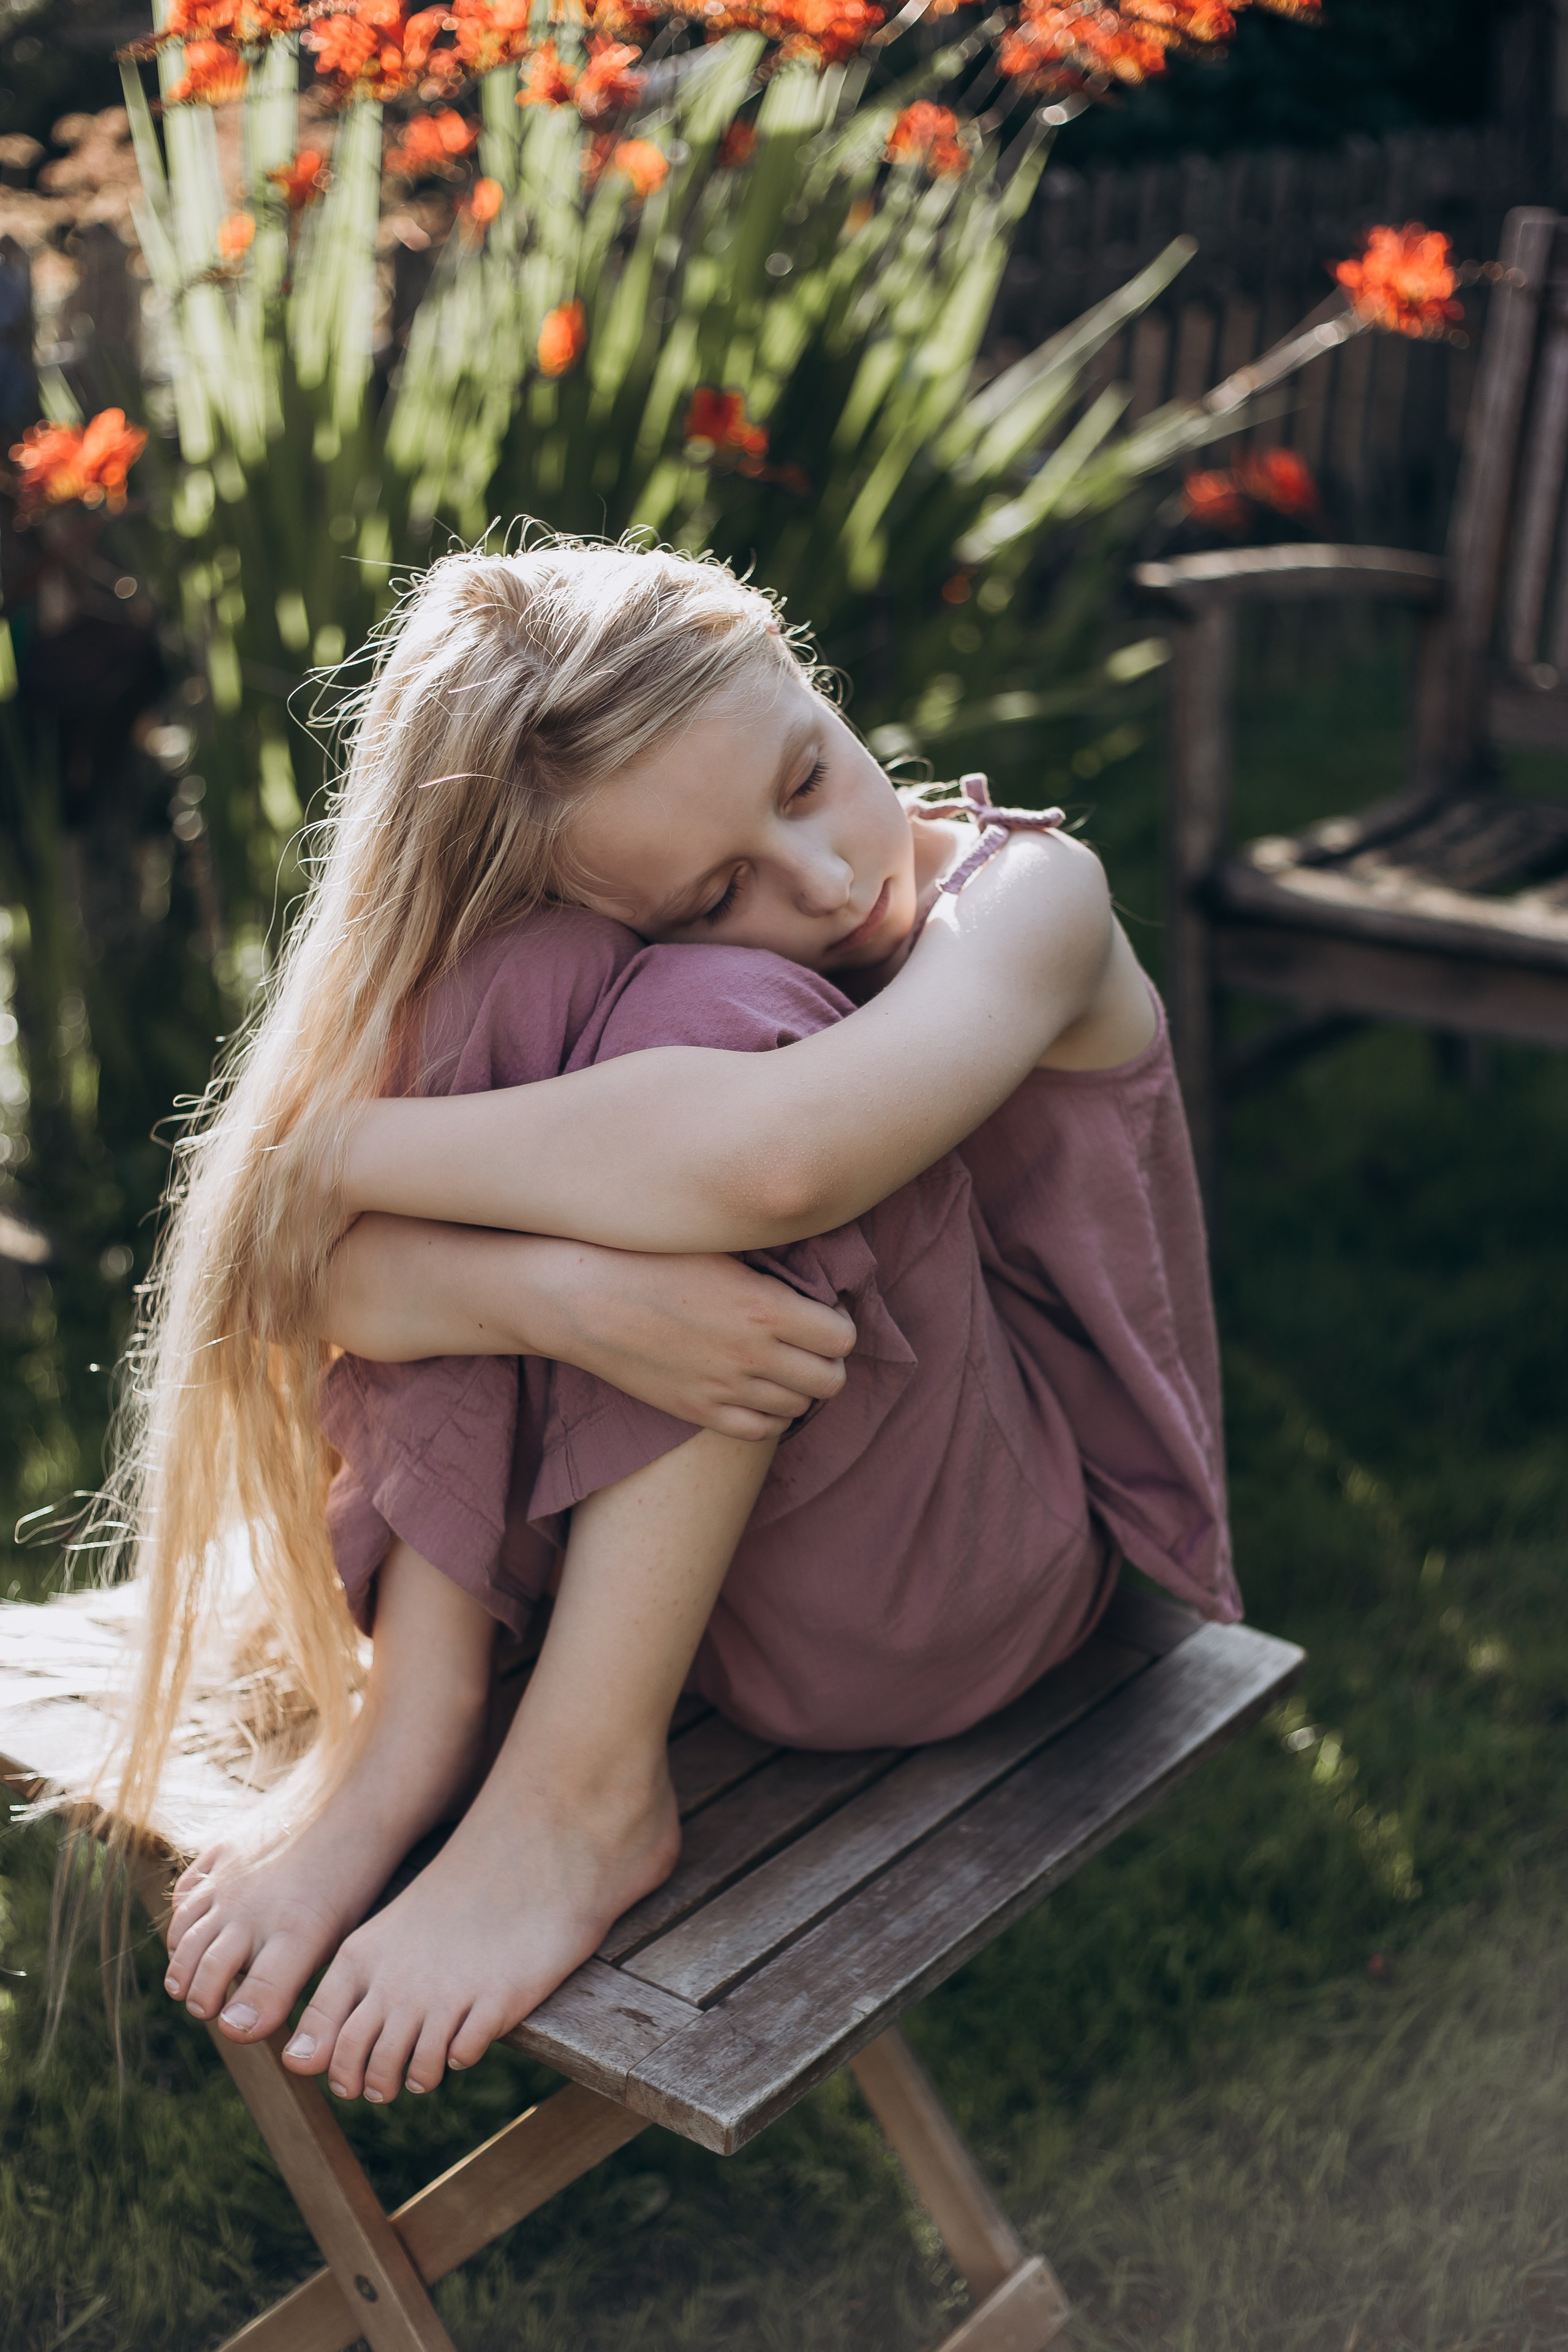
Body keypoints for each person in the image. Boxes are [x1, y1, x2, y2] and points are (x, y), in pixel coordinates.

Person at [128, 538, 1236, 2113]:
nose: (831, 880)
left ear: (811, 681)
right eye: (713, 889)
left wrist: (326, 1157)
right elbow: (290, 1284)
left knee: (733, 1029)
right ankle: (421, 1715)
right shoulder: (595, 962)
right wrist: (561, 1293)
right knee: (489, 985)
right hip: (709, 1577)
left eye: (806, 778)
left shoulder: (1029, 902)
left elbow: (778, 1161)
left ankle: (578, 1795)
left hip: (980, 1585)